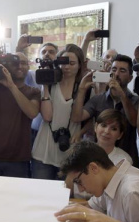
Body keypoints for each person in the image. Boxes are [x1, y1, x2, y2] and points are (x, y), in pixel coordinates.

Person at [0, 53, 40, 177]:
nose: (19, 66)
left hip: (18, 159)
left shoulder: (33, 92)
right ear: (7, 66)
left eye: (23, 63)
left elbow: (32, 113)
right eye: (15, 63)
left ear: (29, 66)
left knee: (16, 196)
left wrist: (11, 86)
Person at [72, 54, 139, 166]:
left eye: (122, 71)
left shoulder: (136, 100)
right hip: (99, 158)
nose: (117, 74)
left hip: (127, 158)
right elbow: (77, 117)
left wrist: (122, 95)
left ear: (130, 78)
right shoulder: (98, 99)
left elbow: (134, 121)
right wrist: (82, 90)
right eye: (114, 69)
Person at [31, 44, 84, 180]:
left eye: (72, 63)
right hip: (43, 151)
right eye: (63, 63)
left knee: (64, 198)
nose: (66, 67)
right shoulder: (50, 85)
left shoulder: (85, 88)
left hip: (70, 154)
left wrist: (81, 133)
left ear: (79, 65)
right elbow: (47, 116)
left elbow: (92, 117)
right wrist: (46, 87)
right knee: (39, 197)